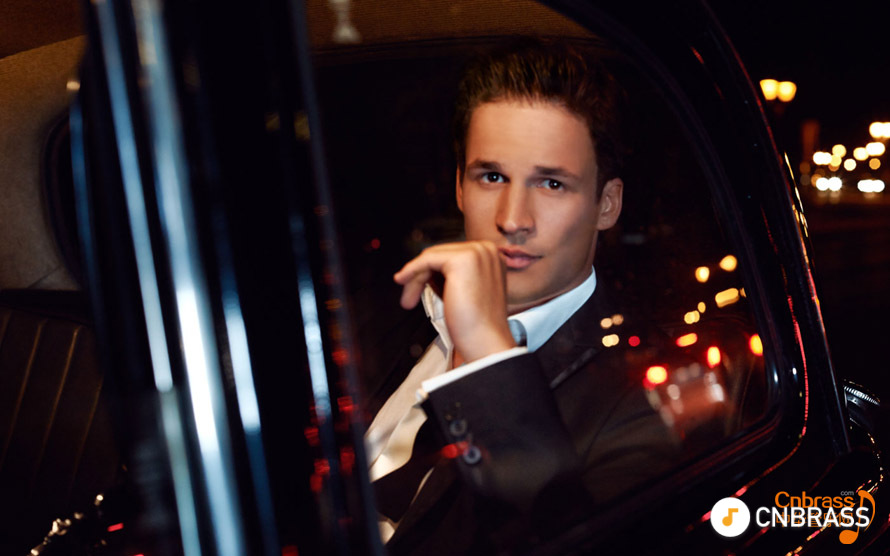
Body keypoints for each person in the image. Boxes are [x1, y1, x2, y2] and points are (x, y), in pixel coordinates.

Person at [364, 38, 680, 555]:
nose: (512, 219)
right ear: (460, 187)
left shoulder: (645, 398)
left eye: (551, 184)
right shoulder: (393, 317)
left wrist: (488, 358)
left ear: (606, 204)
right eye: (491, 177)